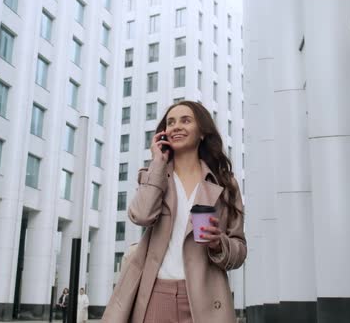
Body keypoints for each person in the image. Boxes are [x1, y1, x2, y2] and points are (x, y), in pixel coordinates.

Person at [102, 101, 246, 323]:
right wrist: (157, 164)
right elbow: (141, 216)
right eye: (170, 122)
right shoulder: (155, 176)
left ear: (202, 133)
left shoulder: (225, 184)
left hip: (205, 300)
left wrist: (220, 244)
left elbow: (239, 251)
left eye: (185, 120)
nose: (176, 127)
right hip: (155, 295)